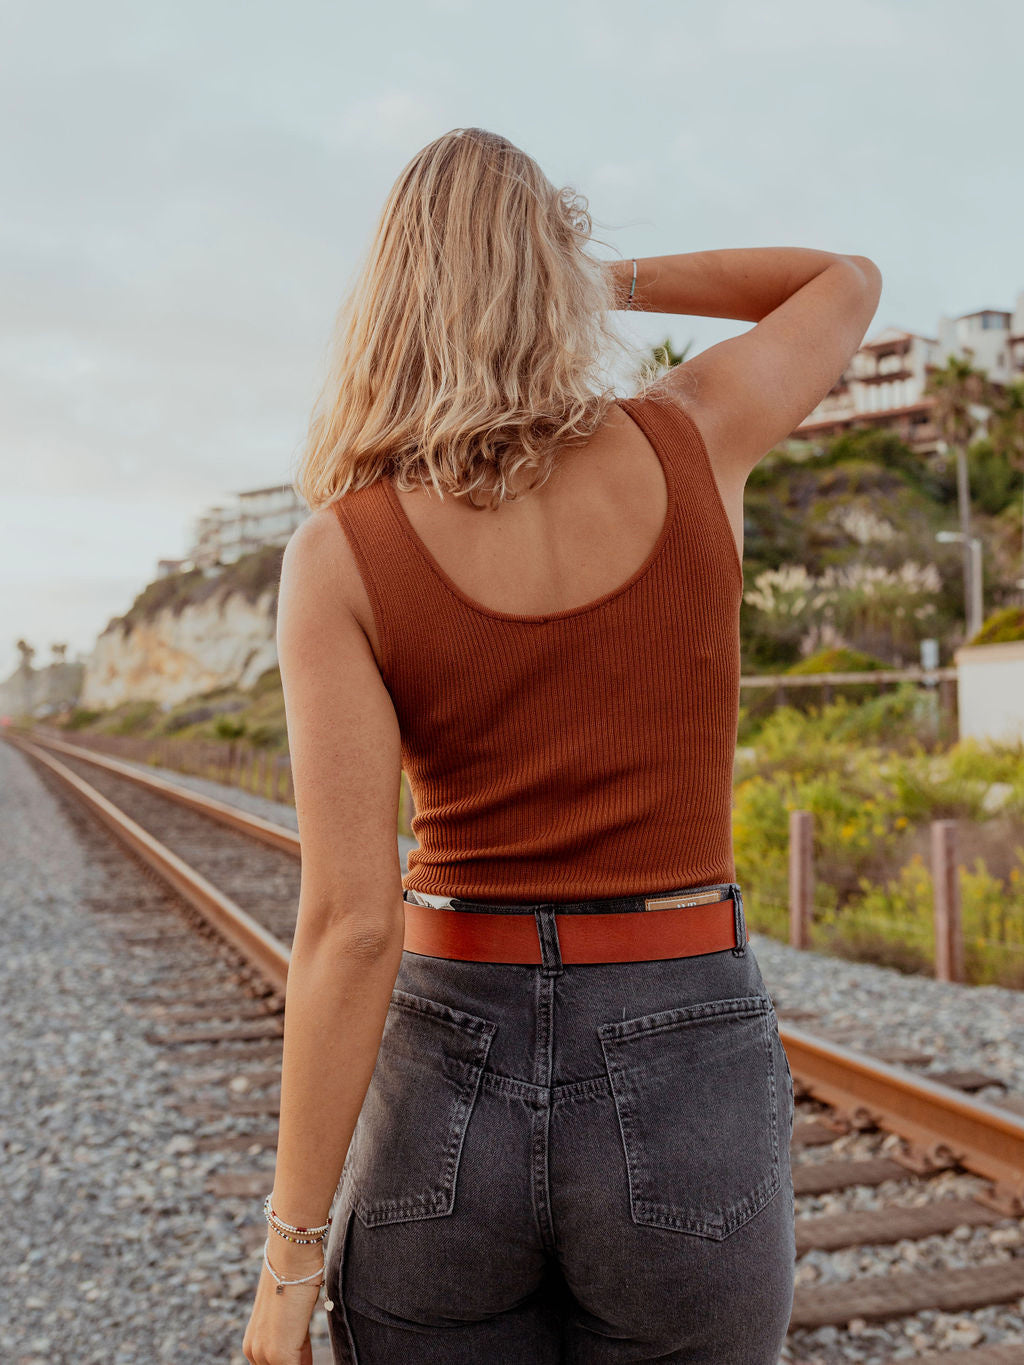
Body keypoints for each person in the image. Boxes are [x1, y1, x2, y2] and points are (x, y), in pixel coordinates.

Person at [242, 127, 881, 1365]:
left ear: (390, 297)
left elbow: (352, 925)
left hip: (446, 1067)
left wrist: (288, 1265)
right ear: (550, 269)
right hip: (681, 1034)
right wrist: (599, 276)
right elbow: (841, 280)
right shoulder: (693, 435)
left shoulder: (341, 551)